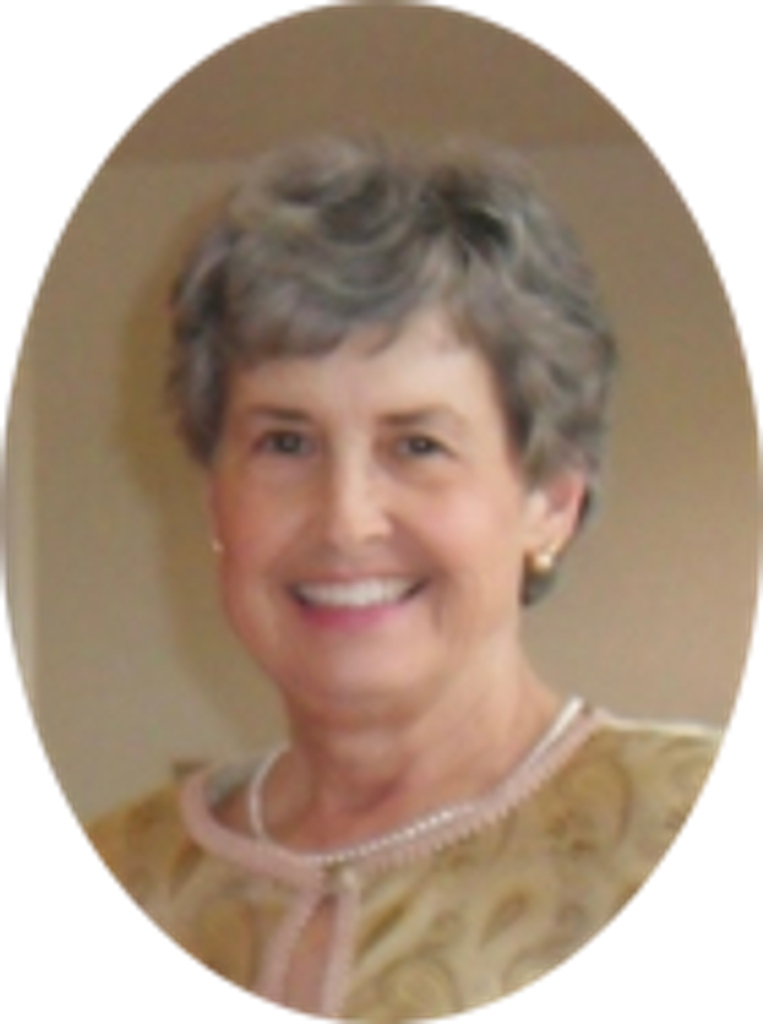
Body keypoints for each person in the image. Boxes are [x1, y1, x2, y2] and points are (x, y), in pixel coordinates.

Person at [83, 136, 725, 1020]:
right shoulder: (128, 867)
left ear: (550, 502)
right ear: (215, 500)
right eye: (284, 442)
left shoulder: (667, 823)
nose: (345, 519)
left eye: (417, 445)